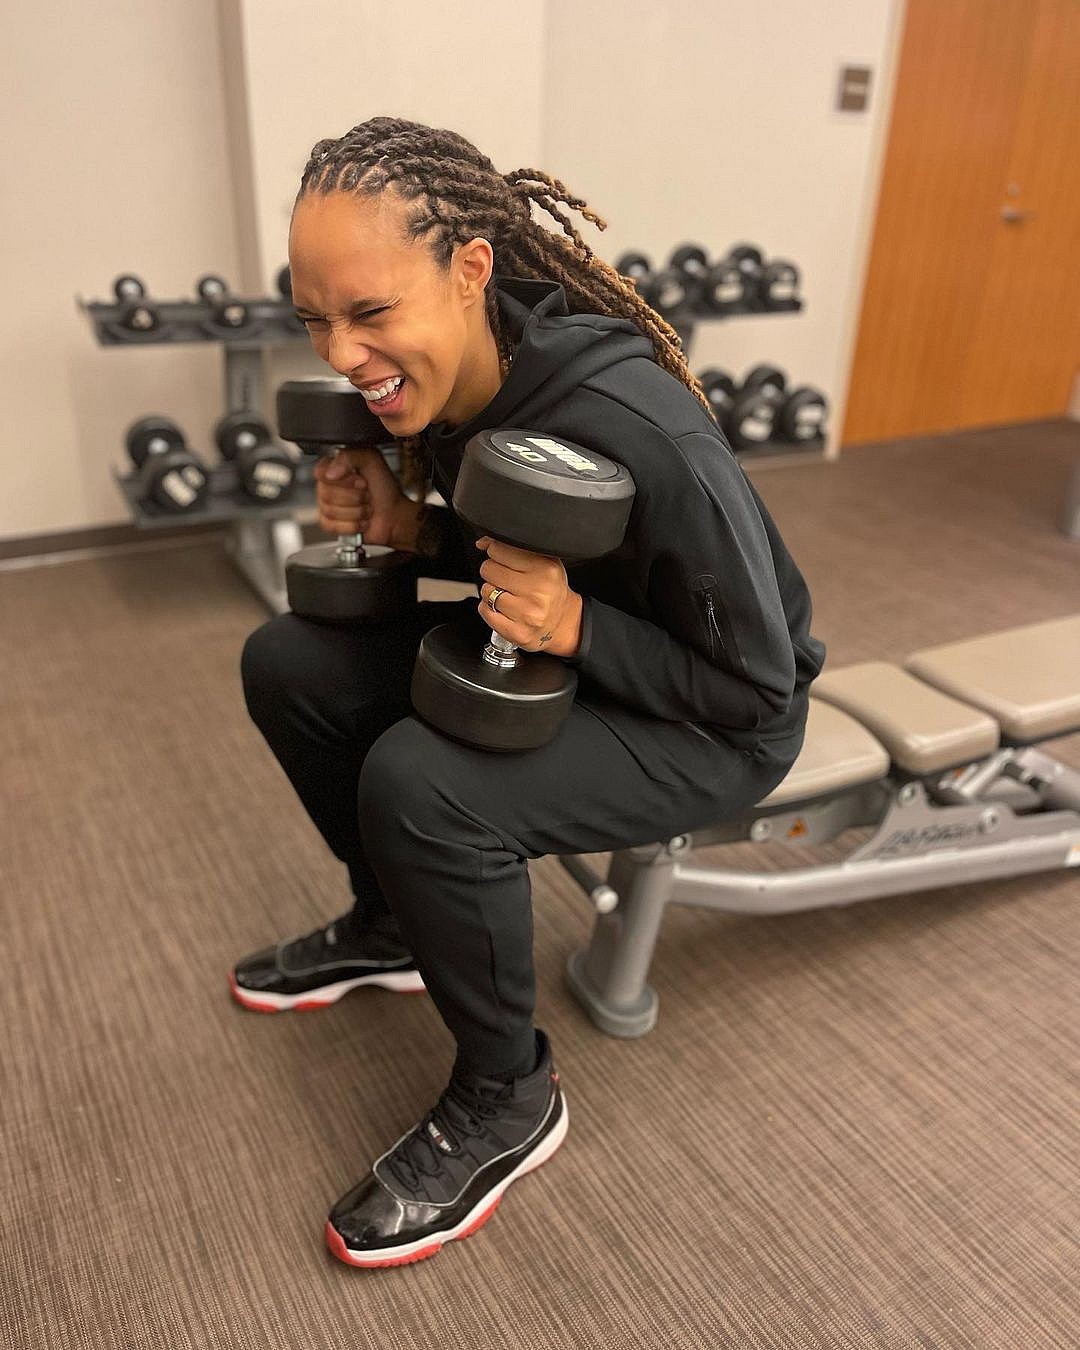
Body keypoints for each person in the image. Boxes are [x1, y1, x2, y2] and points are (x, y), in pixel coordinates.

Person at [232, 116, 826, 1268]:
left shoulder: (643, 430)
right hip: (574, 650)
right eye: (314, 319)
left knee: (421, 786)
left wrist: (574, 627)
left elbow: (757, 689)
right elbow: (529, 540)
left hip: (718, 717)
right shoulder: (459, 381)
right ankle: (394, 925)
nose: (342, 353)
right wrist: (413, 528)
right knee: (290, 662)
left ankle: (510, 1096)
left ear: (470, 269)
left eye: (370, 311)